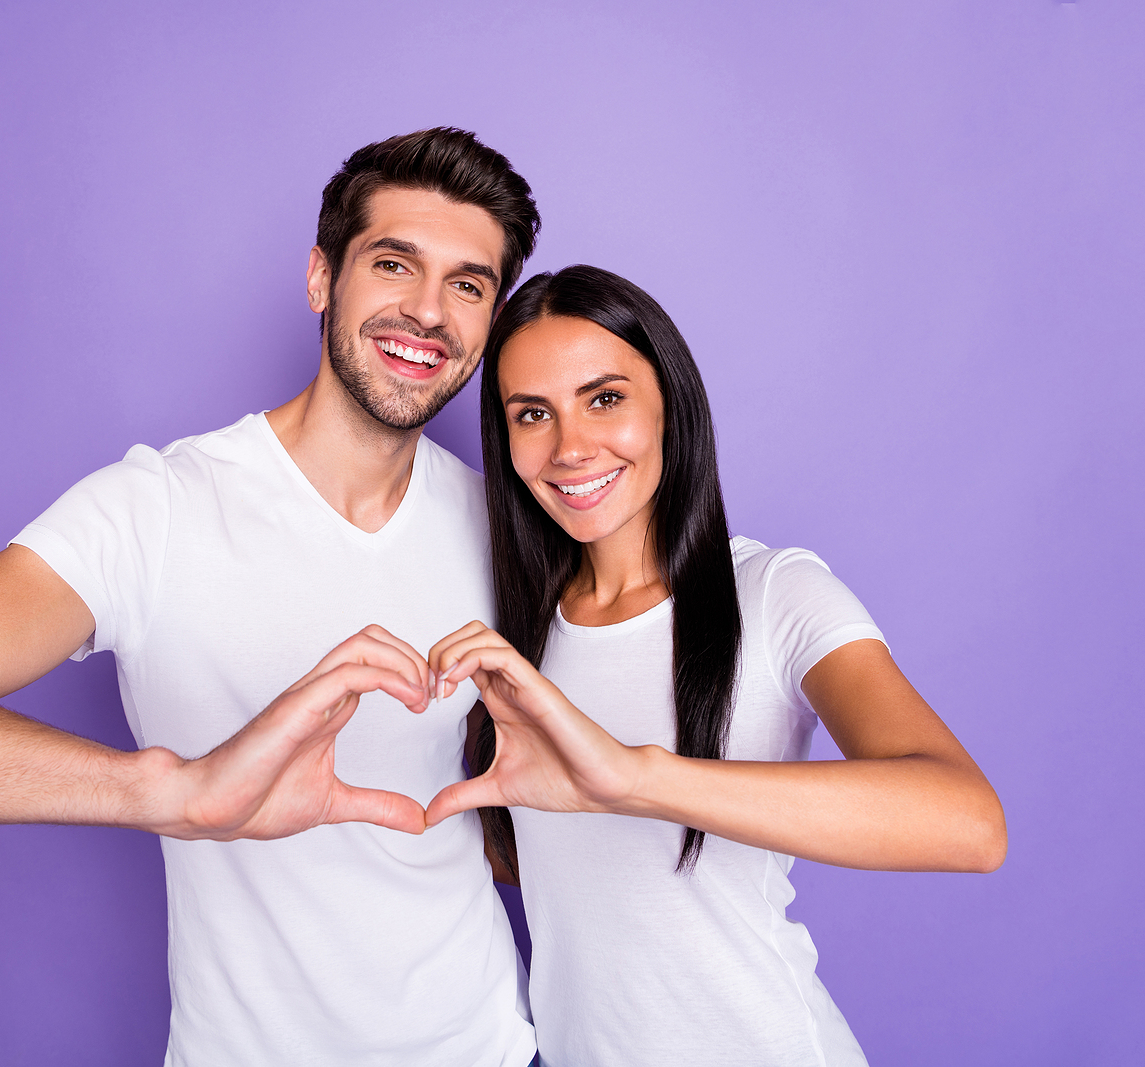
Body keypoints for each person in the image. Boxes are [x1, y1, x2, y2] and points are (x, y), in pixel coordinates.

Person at [0, 128, 542, 1066]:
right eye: (393, 263)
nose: (428, 312)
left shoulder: (508, 524)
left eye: (468, 284)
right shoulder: (157, 509)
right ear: (320, 278)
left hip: (489, 1047)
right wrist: (176, 790)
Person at [423, 265, 1008, 1066]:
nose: (570, 447)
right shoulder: (513, 640)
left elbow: (967, 822)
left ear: (669, 401)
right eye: (533, 413)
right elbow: (568, 877)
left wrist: (633, 777)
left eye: (604, 398)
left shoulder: (775, 592)